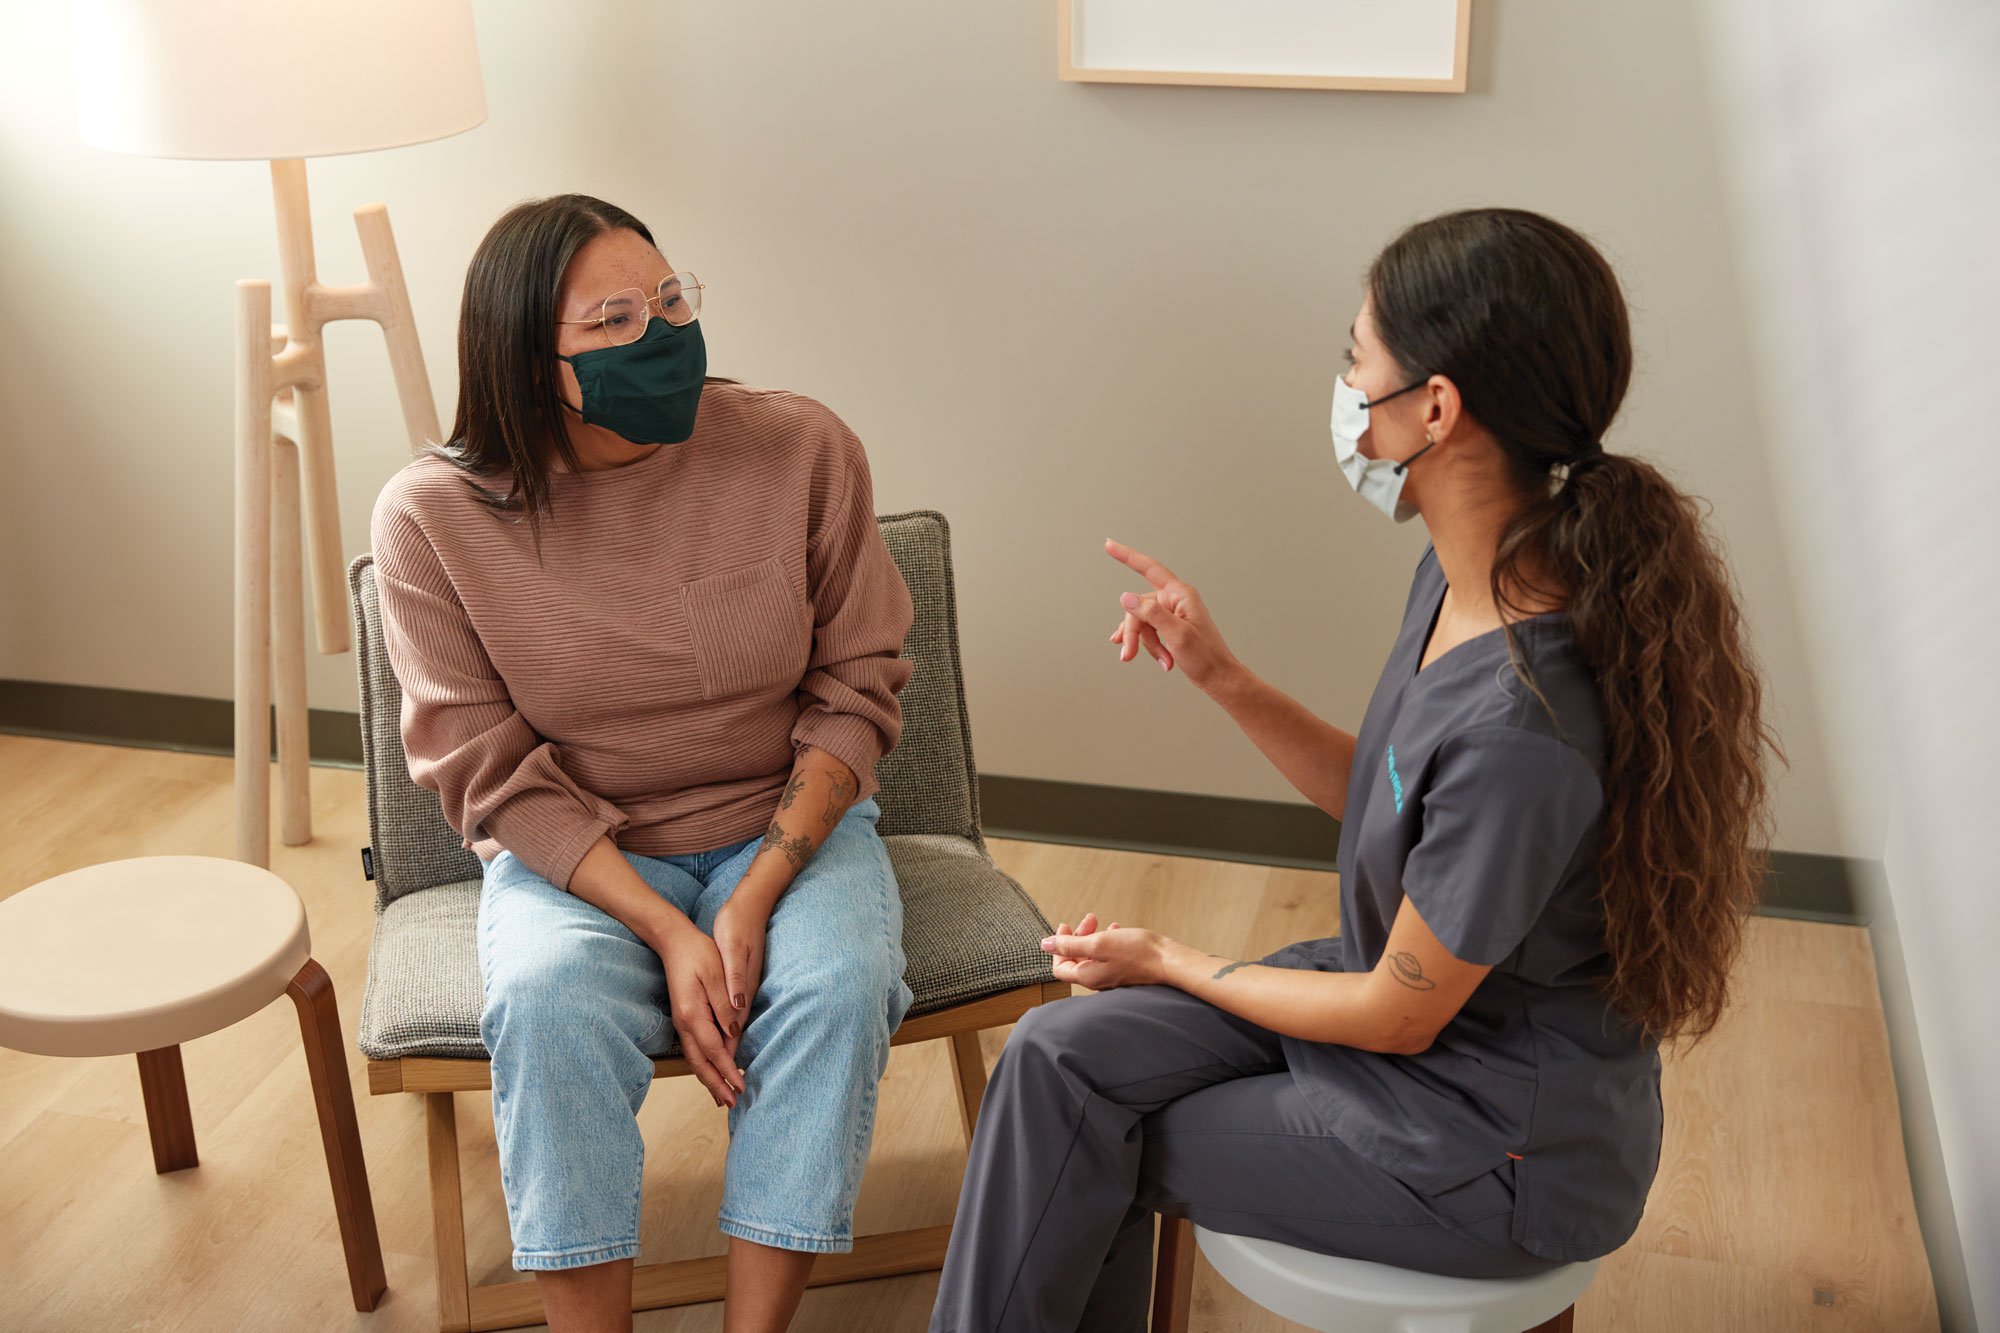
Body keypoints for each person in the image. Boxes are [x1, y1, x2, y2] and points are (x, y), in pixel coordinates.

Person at [930, 207, 1782, 1332]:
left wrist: (1174, 958)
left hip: (1482, 1138)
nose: (1343, 388)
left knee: (1083, 1126)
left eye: (1355, 359)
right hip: (1412, 1027)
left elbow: (1395, 1015)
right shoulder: (1465, 583)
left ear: (1435, 407)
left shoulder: (1526, 719)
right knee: (1052, 1058)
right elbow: (1392, 802)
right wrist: (1221, 675)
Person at [370, 194, 915, 1333]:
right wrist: (669, 929)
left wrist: (758, 888)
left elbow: (856, 688)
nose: (660, 336)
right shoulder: (431, 517)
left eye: (670, 300)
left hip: (786, 824)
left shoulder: (799, 447)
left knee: (836, 984)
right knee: (543, 1000)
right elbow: (483, 767)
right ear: (528, 362)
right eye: (613, 321)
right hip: (580, 852)